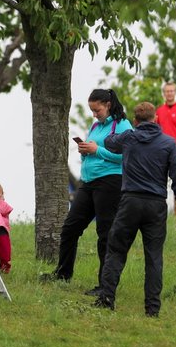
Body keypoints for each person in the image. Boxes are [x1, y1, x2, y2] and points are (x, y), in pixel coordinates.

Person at [94, 101, 176, 317]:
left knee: (116, 250)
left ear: (135, 121)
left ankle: (107, 298)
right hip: (156, 204)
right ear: (155, 119)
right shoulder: (168, 143)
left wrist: (120, 125)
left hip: (130, 202)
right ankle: (152, 309)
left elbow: (109, 142)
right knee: (154, 256)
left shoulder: (129, 138)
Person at [41, 89, 132, 296]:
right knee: (70, 228)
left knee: (105, 234)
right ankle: (63, 274)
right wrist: (85, 151)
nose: (94, 114)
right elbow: (94, 151)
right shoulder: (95, 126)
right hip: (89, 182)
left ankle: (104, 285)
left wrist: (96, 150)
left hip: (110, 182)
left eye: (97, 109)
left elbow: (128, 155)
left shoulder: (122, 126)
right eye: (91, 110)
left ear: (108, 105)